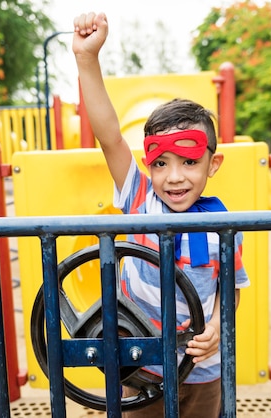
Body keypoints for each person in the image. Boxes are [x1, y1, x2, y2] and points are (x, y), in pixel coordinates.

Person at [73, 12, 250, 418]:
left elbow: (232, 287)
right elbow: (110, 135)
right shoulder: (139, 198)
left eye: (188, 162)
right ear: (147, 166)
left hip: (203, 370)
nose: (173, 178)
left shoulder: (224, 226)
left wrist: (217, 328)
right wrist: (87, 59)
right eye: (160, 164)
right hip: (140, 367)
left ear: (213, 164)